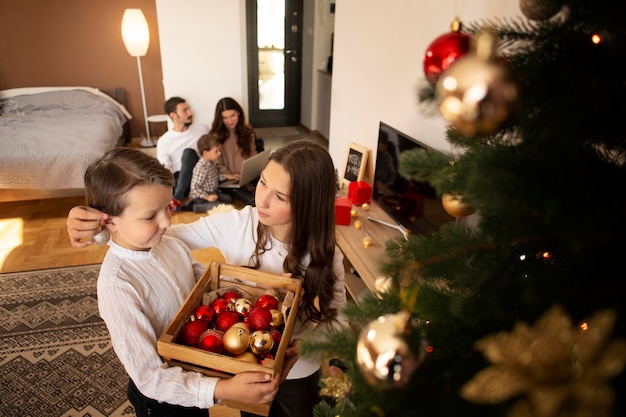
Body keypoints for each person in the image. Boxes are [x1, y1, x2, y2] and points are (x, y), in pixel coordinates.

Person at [67, 140, 349, 417]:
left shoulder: (326, 252)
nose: (261, 199)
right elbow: (157, 239)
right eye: (262, 183)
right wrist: (100, 229)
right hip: (240, 366)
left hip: (299, 373)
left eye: (280, 196)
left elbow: (340, 320)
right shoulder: (239, 224)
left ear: (308, 203)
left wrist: (307, 345)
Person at [82, 147, 278, 417]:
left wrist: (256, 287)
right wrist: (223, 390)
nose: (165, 222)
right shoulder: (117, 286)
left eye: (167, 207)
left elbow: (204, 286)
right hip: (163, 400)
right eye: (150, 216)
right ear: (109, 220)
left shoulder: (169, 244)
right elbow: (149, 377)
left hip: (195, 367)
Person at [156, 96, 210, 212]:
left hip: (199, 176)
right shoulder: (164, 140)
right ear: (173, 115)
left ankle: (176, 199)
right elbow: (163, 166)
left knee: (188, 153)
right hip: (179, 179)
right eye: (184, 110)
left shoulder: (202, 129)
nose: (190, 113)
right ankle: (181, 202)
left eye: (189, 109)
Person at [210, 97, 258, 205]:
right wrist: (237, 179)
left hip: (247, 176)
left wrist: (247, 178)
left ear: (239, 113)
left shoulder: (247, 131)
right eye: (225, 118)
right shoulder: (215, 136)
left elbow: (253, 155)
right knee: (253, 202)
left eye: (232, 116)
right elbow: (217, 165)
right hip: (230, 181)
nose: (230, 121)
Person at [181, 133, 238, 213]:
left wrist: (227, 176)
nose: (219, 153)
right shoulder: (201, 167)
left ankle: (211, 202)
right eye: (216, 151)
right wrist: (207, 197)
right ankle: (193, 207)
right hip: (200, 197)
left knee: (229, 199)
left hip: (212, 192)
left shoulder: (212, 163)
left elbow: (214, 177)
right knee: (216, 206)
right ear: (205, 153)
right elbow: (194, 188)